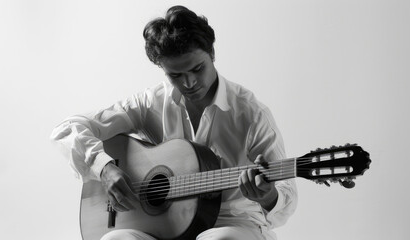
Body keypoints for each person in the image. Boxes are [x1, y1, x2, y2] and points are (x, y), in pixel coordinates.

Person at [50, 5, 297, 240]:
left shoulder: (251, 113)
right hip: (161, 228)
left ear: (212, 53)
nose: (189, 83)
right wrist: (104, 168)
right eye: (175, 75)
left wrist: (268, 195)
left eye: (197, 69)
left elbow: (287, 202)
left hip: (232, 222)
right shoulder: (150, 102)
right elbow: (67, 129)